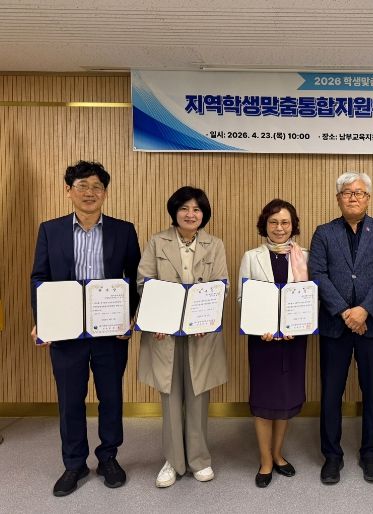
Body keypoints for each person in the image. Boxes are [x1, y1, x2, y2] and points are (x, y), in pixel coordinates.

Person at [30, 161, 141, 496]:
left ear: (105, 193)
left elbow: (135, 278)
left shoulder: (124, 230)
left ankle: (108, 457)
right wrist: (43, 321)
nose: (89, 192)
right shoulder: (51, 230)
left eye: (96, 186)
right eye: (82, 185)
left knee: (111, 396)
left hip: (110, 331)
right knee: (70, 399)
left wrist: (130, 317)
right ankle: (74, 463)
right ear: (68, 190)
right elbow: (39, 278)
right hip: (66, 332)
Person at [137, 186, 229, 488]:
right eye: (185, 208)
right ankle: (173, 461)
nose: (191, 214)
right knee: (170, 396)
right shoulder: (157, 241)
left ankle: (200, 460)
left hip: (200, 333)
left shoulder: (215, 245)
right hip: (165, 334)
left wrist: (206, 317)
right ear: (174, 212)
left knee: (199, 395)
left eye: (197, 209)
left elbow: (221, 286)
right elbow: (144, 283)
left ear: (204, 215)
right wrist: (157, 318)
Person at [309, 171, 373, 484]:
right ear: (338, 199)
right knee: (331, 392)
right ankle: (332, 456)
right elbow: (318, 274)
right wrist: (346, 312)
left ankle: (370, 454)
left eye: (359, 192)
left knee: (372, 391)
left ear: (368, 198)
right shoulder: (323, 233)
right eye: (347, 192)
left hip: (371, 325)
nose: (353, 197)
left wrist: (364, 310)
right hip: (335, 324)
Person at [238, 199, 310, 488]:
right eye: (273, 222)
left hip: (294, 341)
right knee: (264, 400)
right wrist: (260, 327)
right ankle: (265, 460)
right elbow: (243, 299)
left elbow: (310, 297)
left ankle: (278, 454)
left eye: (285, 222)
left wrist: (299, 324)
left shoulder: (304, 256)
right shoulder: (251, 257)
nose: (279, 228)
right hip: (263, 341)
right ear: (264, 225)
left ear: (293, 225)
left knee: (286, 398)